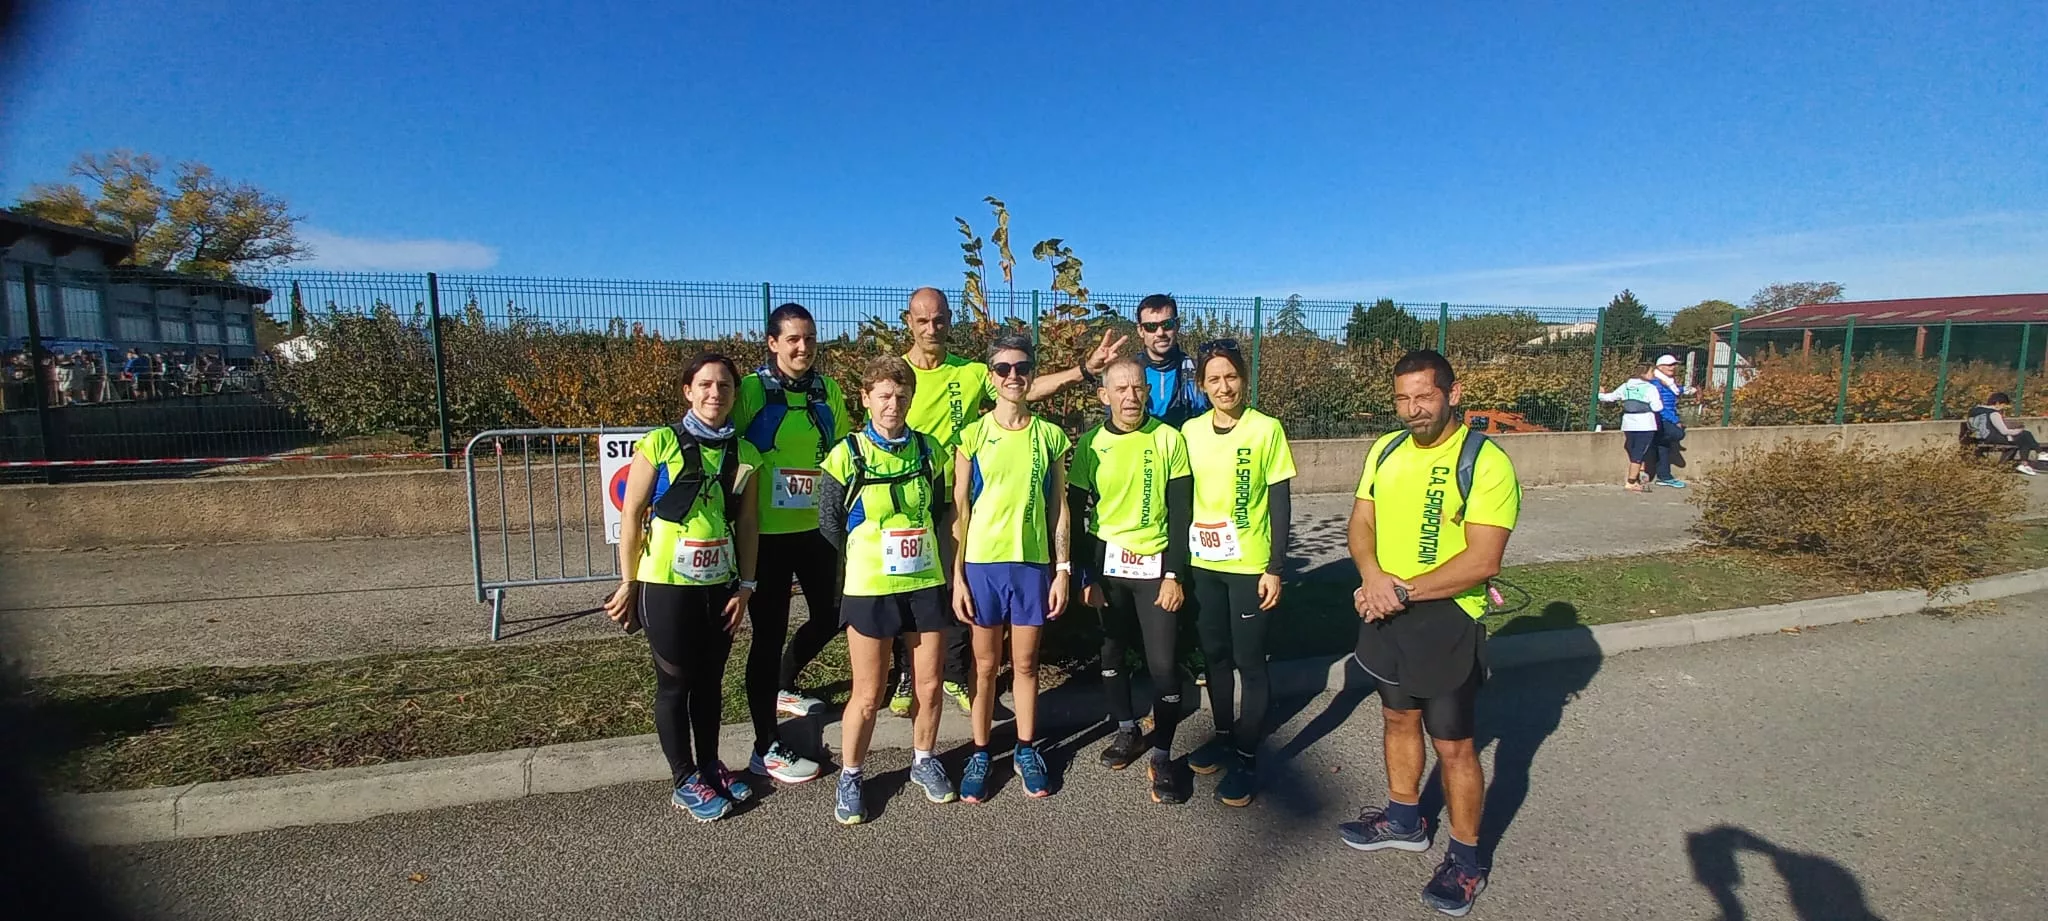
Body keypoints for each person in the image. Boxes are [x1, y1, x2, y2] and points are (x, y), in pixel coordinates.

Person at [1338, 349, 1520, 917]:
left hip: (1445, 618)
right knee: (1396, 717)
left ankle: (1466, 860)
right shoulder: (1385, 449)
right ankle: (1404, 818)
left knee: (1455, 744)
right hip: (1387, 608)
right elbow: (1361, 519)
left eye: (1424, 395)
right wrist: (1371, 577)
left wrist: (1403, 590)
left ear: (1452, 394)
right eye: (1402, 398)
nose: (1413, 409)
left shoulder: (1484, 461)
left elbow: (1483, 559)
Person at [895, 287, 1120, 719]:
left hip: (962, 499)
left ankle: (958, 676)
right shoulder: (898, 375)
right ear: (908, 321)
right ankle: (908, 670)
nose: (931, 328)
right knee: (917, 588)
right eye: (922, 320)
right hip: (914, 498)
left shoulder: (972, 372)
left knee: (958, 593)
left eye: (940, 319)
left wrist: (1082, 370)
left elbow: (1023, 390)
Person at [601, 353, 765, 823]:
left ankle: (710, 764)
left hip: (719, 585)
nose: (716, 394)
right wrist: (629, 582)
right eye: (706, 385)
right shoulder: (660, 444)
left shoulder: (745, 454)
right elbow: (631, 515)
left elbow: (749, 522)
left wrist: (747, 586)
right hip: (666, 584)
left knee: (711, 682)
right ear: (688, 391)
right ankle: (683, 778)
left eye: (726, 387)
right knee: (676, 683)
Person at [816, 355, 959, 824]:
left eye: (901, 395)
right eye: (883, 395)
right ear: (866, 399)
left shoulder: (929, 449)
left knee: (931, 684)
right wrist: (867, 554)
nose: (892, 403)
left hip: (924, 583)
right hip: (871, 586)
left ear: (911, 398)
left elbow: (942, 511)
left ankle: (924, 759)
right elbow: (830, 522)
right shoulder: (846, 454)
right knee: (868, 693)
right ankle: (852, 774)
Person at [950, 333, 1074, 803]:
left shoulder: (1050, 436)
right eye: (1003, 369)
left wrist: (1062, 568)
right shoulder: (972, 435)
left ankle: (1025, 749)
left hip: (1032, 567)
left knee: (1025, 665)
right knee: (984, 668)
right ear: (991, 376)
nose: (1013, 376)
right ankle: (980, 752)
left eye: (1021, 367)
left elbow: (1058, 506)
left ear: (1031, 373)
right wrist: (958, 576)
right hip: (982, 567)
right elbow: (960, 511)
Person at [1069, 358, 1195, 804]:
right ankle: (1126, 730)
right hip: (1108, 564)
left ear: (1147, 392)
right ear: (1104, 396)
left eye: (1138, 388)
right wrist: (1085, 574)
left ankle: (1161, 752)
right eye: (1120, 389)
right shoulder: (1090, 444)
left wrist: (1175, 573)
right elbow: (1078, 513)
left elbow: (1182, 513)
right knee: (1111, 652)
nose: (1130, 397)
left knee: (1163, 665)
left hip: (1156, 565)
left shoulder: (1168, 438)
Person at [727, 303, 842, 786]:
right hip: (766, 536)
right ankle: (765, 745)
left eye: (810, 339)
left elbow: (841, 450)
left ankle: (783, 682)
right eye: (793, 339)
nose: (803, 348)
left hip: (817, 530)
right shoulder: (752, 390)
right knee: (768, 634)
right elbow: (728, 449)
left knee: (833, 615)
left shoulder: (826, 389)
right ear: (772, 342)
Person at [1179, 340, 1296, 806]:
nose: (1223, 387)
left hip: (1250, 565)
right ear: (1202, 386)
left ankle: (1248, 755)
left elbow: (1280, 503)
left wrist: (1275, 567)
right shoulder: (1190, 431)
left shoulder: (1266, 429)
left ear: (1244, 379)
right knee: (1215, 656)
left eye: (1231, 377)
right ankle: (1224, 734)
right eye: (1214, 380)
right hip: (1205, 564)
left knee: (1250, 661)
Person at [1132, 294, 1213, 429]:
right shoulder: (1129, 371)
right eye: (1151, 327)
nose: (1160, 333)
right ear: (1141, 330)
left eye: (1167, 324)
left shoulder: (1198, 370)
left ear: (1177, 325)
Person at [1599, 364, 1664, 492]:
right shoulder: (1650, 388)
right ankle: (1631, 482)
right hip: (1645, 424)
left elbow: (1609, 397)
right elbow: (1658, 408)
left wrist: (1600, 393)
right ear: (1643, 374)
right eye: (1651, 372)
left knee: (1634, 448)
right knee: (1639, 452)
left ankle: (1641, 473)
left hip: (1629, 423)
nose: (1653, 374)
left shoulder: (1626, 386)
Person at [1967, 392, 2041, 475]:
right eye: (2004, 405)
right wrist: (2018, 431)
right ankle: (2038, 454)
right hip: (1992, 438)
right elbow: (2004, 431)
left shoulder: (1976, 411)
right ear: (1998, 403)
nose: (2004, 408)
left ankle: (2025, 463)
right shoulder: (1994, 413)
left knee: (2023, 438)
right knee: (2025, 434)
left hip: (1979, 438)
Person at [1647, 354, 1691, 488]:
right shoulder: (1657, 383)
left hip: (1666, 417)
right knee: (1678, 434)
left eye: (1674, 364)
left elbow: (1673, 392)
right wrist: (1675, 420)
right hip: (1661, 418)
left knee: (1664, 446)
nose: (1672, 367)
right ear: (1660, 367)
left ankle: (1664, 476)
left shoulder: (1668, 382)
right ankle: (1662, 474)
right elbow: (1661, 406)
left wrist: (1686, 390)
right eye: (1669, 365)